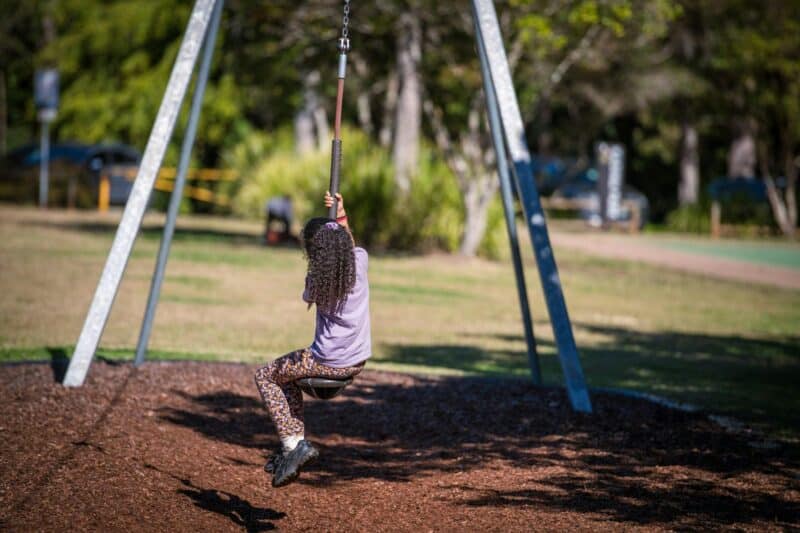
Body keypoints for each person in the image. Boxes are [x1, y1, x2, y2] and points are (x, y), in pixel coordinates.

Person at [254, 191, 371, 488]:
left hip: (326, 361)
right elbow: (349, 245)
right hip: (356, 360)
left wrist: (332, 228)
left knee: (266, 376)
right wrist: (341, 216)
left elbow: (324, 266)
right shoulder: (360, 262)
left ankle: (294, 445)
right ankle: (292, 446)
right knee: (287, 377)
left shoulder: (316, 283)